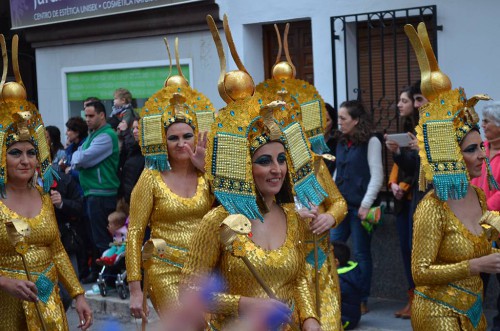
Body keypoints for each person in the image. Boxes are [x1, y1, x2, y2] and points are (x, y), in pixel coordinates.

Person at [182, 15, 325, 331]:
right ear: (246, 168)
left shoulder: (291, 215)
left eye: (280, 159)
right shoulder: (216, 222)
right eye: (264, 161)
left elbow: (300, 277)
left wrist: (311, 320)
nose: (276, 169)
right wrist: (246, 305)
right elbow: (188, 292)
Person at [405, 22, 500, 330]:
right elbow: (420, 272)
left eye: (481, 147)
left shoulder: (479, 195)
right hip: (437, 312)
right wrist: (475, 265)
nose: (482, 155)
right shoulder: (433, 208)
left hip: (474, 309)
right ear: (452, 156)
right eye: (473, 150)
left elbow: (488, 240)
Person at [256, 30, 348, 329]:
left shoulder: (315, 163)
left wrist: (330, 218)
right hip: (286, 266)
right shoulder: (263, 169)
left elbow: (338, 202)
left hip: (321, 261)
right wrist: (294, 215)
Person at [0, 34, 92, 330]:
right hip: (6, 307)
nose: (25, 160)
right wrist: (5, 282)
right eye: (15, 153)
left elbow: (57, 249)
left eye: (31, 152)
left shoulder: (42, 195)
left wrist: (78, 294)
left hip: (48, 302)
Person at [126, 38, 216, 321]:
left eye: (187, 136)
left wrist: (208, 171)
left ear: (197, 136)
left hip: (205, 268)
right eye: (173, 138)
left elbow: (231, 213)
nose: (181, 143)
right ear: (162, 142)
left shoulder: (206, 176)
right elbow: (134, 233)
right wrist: (135, 289)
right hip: (164, 268)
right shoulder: (150, 178)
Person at [331, 99, 383, 314]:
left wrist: (365, 204)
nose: (339, 122)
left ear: (356, 120)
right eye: (339, 118)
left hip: (361, 208)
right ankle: (335, 293)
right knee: (333, 247)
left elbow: (377, 175)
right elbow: (336, 173)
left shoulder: (372, 141)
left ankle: (361, 298)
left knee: (362, 253)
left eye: (343, 118)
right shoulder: (341, 142)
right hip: (341, 206)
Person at [71, 100, 120, 282]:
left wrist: (78, 157)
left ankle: (108, 278)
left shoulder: (106, 135)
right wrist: (78, 157)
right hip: (93, 193)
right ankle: (103, 276)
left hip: (102, 194)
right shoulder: (94, 135)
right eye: (86, 116)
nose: (88, 120)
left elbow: (81, 159)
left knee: (102, 240)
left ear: (101, 115)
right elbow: (78, 156)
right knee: (95, 238)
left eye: (91, 116)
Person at [384, 85, 419, 319]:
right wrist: (396, 153)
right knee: (406, 250)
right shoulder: (406, 129)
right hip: (402, 201)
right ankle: (411, 299)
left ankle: (419, 300)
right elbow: (403, 165)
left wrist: (403, 185)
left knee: (415, 251)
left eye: (404, 100)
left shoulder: (423, 131)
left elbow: (417, 169)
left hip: (415, 197)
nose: (401, 104)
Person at [472, 102, 500, 331]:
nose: (482, 124)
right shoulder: (481, 149)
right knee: (477, 280)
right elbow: (473, 176)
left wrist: (486, 209)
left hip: (496, 226)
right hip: (478, 224)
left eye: (487, 121)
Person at [333, 241, 362, 330]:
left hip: (345, 321)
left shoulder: (340, 281)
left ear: (335, 262)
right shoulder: (350, 274)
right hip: (352, 318)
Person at [117, 115, 145, 204]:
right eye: (133, 128)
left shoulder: (150, 154)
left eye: (138, 128)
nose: (135, 131)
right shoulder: (132, 149)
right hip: (129, 200)